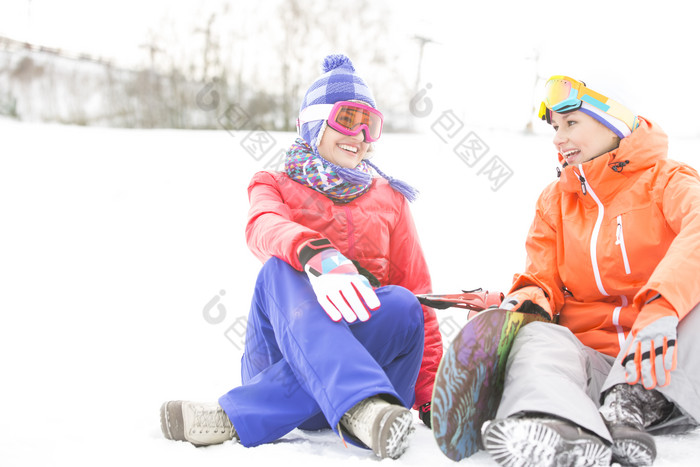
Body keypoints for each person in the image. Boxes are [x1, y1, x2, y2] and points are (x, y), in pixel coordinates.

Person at [159, 54, 442, 460]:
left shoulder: (390, 200)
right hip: (288, 356)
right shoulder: (273, 183)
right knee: (280, 266)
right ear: (314, 122)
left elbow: (419, 291)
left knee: (403, 302)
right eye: (347, 119)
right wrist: (317, 255)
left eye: (370, 124)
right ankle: (357, 406)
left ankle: (238, 415)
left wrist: (430, 397)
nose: (360, 134)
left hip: (375, 372)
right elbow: (262, 226)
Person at [480, 76, 700, 466]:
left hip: (665, 363)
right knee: (541, 339)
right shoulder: (555, 200)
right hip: (593, 362)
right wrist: (525, 305)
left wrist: (662, 309)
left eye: (571, 123)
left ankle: (629, 406)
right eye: (555, 128)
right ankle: (559, 426)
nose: (558, 138)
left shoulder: (667, 181)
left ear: (613, 121)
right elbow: (542, 278)